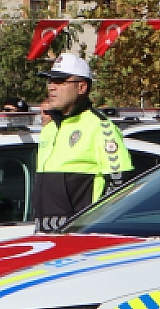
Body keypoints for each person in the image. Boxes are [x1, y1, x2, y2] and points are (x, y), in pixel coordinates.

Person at [36, 52, 132, 231]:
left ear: (82, 87)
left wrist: (93, 224)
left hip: (80, 234)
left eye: (60, 81)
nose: (51, 87)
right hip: (46, 233)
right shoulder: (49, 129)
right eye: (50, 81)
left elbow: (121, 183)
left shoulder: (100, 126)